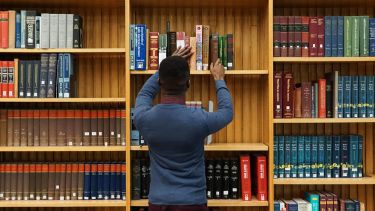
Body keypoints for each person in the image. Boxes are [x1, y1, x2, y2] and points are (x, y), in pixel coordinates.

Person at [134, 46, 233, 211]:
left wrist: (165, 68)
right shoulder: (199, 118)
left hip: (159, 202)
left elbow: (144, 95)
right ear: (188, 83)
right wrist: (219, 79)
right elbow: (227, 112)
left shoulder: (144, 118)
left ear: (159, 82)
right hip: (192, 202)